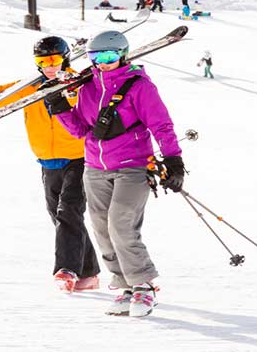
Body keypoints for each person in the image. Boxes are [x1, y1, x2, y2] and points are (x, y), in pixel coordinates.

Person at [46, 30, 185, 317]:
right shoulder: (87, 88)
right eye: (96, 57)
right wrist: (59, 108)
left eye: (109, 57)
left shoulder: (140, 86)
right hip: (95, 168)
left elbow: (161, 125)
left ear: (122, 55)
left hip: (133, 166)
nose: (103, 63)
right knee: (101, 229)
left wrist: (173, 159)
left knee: (121, 224)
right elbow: (80, 130)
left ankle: (144, 286)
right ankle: (124, 285)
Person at [0, 37, 100, 293]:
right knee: (60, 216)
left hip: (80, 158)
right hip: (48, 161)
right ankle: (89, 273)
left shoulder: (78, 83)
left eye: (53, 60)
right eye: (43, 61)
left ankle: (67, 269)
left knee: (68, 212)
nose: (49, 66)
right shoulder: (31, 87)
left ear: (65, 58)